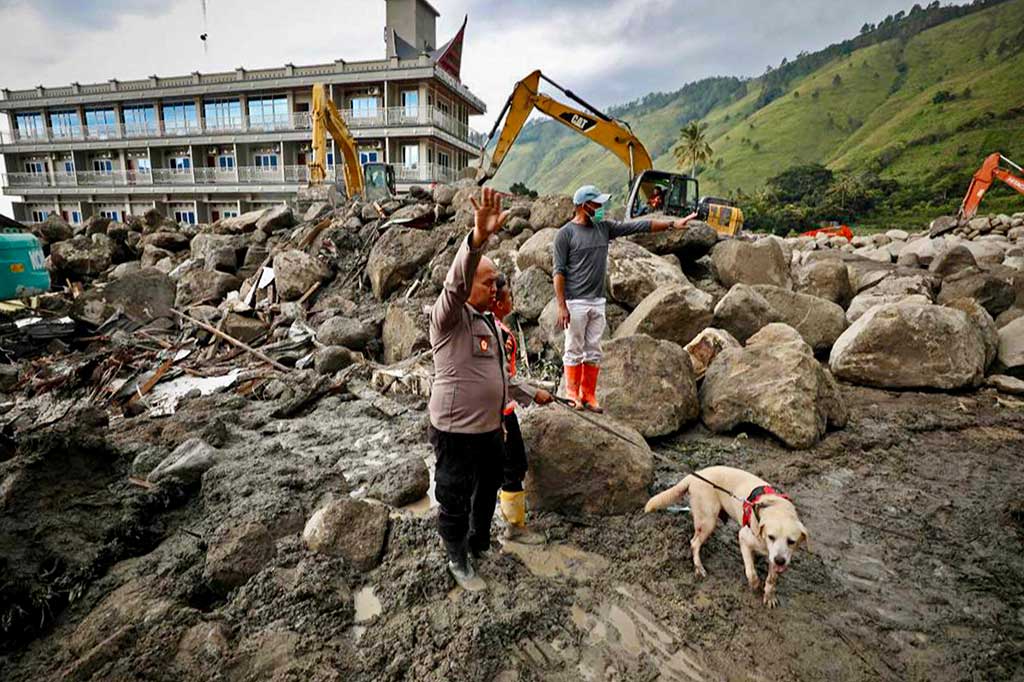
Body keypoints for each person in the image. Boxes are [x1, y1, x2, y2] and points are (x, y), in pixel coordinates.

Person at [428, 187, 553, 591]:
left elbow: (501, 378)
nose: (496, 290)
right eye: (489, 284)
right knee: (454, 493)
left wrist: (531, 394)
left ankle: (480, 542)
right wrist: (477, 241)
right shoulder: (449, 317)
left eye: (498, 284)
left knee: (488, 490)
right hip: (455, 430)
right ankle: (456, 557)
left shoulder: (489, 325)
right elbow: (455, 284)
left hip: (487, 430)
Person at [553, 185, 696, 412]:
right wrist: (562, 306)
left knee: (593, 349)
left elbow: (639, 226)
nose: (600, 208)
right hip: (575, 302)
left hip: (598, 301)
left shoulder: (604, 228)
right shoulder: (565, 235)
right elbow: (558, 272)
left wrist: (671, 224)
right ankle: (572, 394)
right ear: (583, 206)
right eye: (596, 204)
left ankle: (588, 395)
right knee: (573, 348)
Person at [490, 275, 544, 545]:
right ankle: (514, 527)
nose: (512, 300)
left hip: (491, 410)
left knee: (501, 469)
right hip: (502, 412)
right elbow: (504, 380)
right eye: (509, 296)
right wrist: (535, 393)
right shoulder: (501, 334)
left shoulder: (487, 327)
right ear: (498, 302)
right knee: (513, 468)